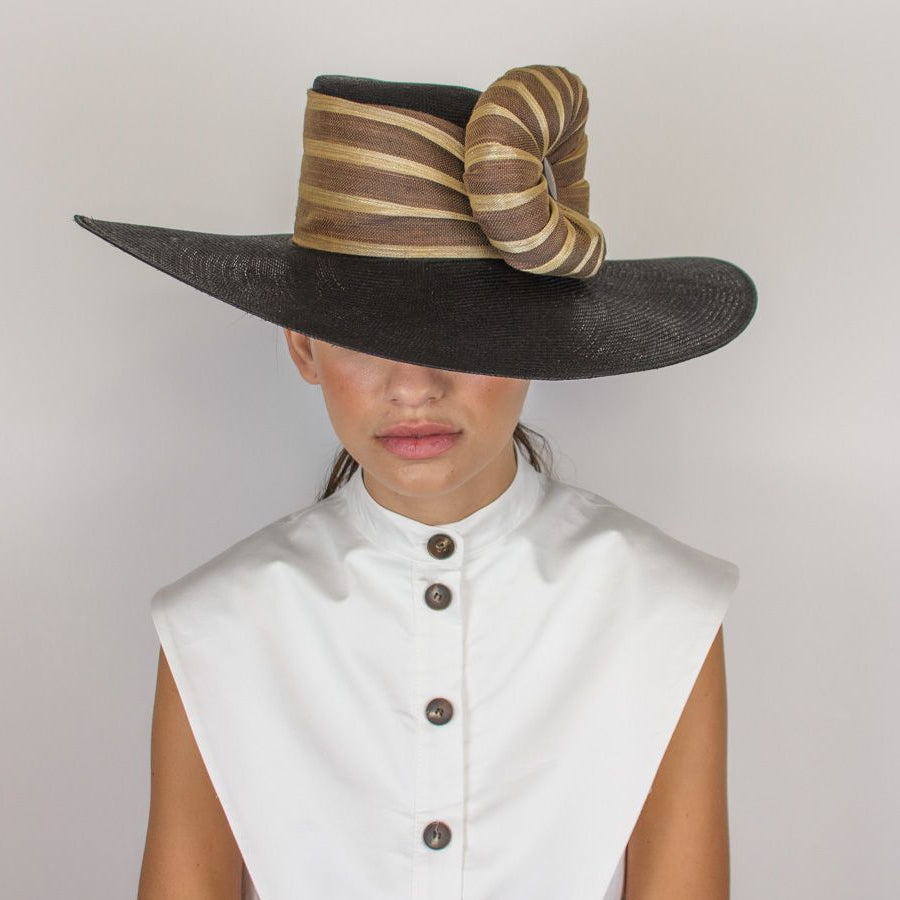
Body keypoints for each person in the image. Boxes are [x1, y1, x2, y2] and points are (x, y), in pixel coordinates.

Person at [74, 64, 756, 900]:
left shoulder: (662, 608)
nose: (413, 388)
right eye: (364, 335)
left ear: (533, 344)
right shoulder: (217, 626)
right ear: (302, 346)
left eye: (462, 334)